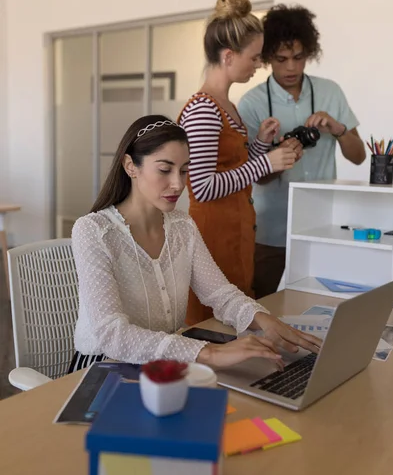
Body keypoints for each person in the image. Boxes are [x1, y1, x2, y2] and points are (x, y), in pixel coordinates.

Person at [68, 115, 320, 373]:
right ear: (131, 166)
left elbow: (220, 294)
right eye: (165, 170)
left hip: (165, 363)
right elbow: (112, 335)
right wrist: (208, 353)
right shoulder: (93, 230)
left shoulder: (182, 226)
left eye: (185, 170)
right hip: (103, 368)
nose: (178, 184)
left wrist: (265, 320)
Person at [179, 0, 296, 326]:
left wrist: (260, 144)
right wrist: (266, 163)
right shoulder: (203, 109)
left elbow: (231, 170)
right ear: (229, 56)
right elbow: (201, 187)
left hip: (235, 237)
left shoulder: (226, 105)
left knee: (235, 328)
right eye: (255, 57)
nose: (258, 66)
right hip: (212, 241)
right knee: (213, 329)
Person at [238, 4, 366, 298]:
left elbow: (358, 156)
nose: (291, 68)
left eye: (299, 57)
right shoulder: (252, 103)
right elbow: (252, 176)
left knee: (322, 308)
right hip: (270, 232)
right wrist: (279, 158)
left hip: (324, 228)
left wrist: (337, 128)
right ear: (267, 57)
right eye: (281, 59)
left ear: (309, 52)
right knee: (267, 309)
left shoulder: (329, 92)